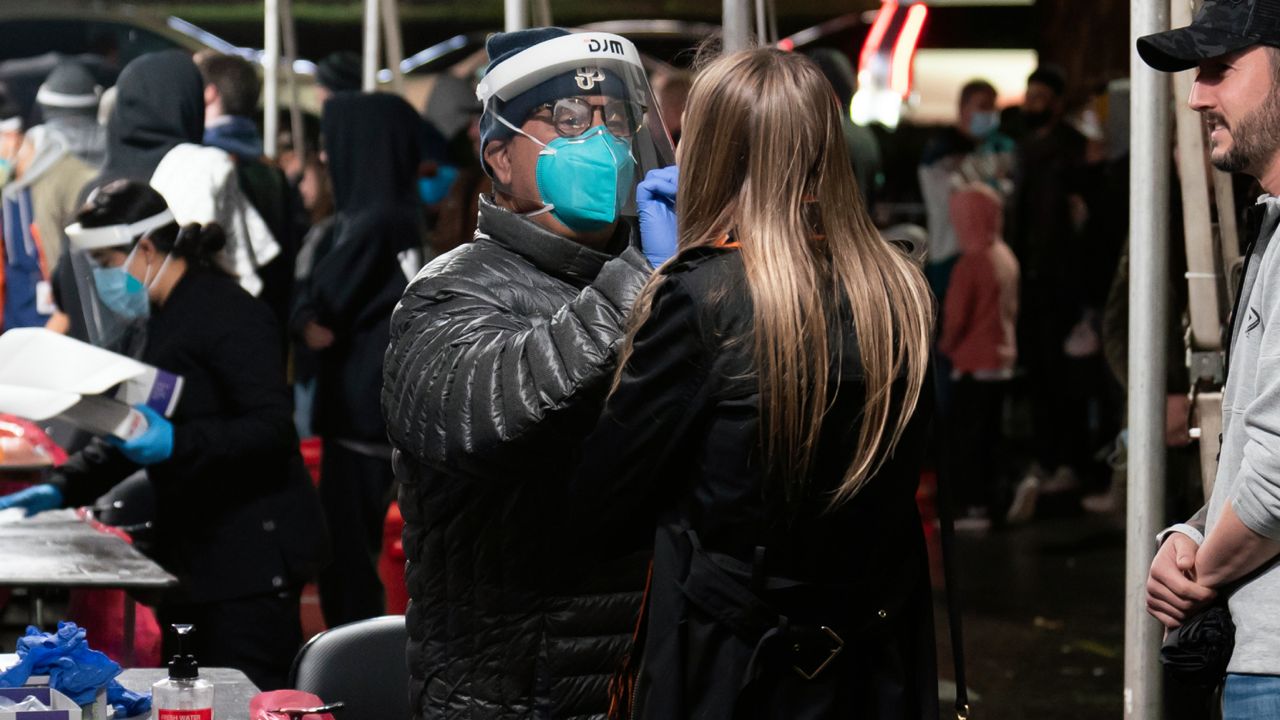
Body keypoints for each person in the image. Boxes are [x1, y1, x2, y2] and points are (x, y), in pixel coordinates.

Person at [567, 47, 938, 718]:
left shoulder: (701, 297)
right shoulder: (900, 292)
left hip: (734, 671)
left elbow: (602, 499)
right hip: (873, 668)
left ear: (711, 151)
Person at [381, 27, 676, 718]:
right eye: (569, 121)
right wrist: (640, 278)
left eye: (615, 121)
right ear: (500, 158)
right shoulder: (449, 293)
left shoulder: (650, 284)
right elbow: (502, 409)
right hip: (508, 699)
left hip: (631, 688)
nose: (601, 143)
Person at [0, 180, 327, 690]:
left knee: (241, 692)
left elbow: (271, 431)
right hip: (196, 555)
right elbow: (129, 431)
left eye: (108, 264)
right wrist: (60, 488)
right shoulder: (155, 322)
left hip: (252, 561)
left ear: (146, 249)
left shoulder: (229, 314)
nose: (106, 279)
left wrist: (178, 441)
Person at [1139, 3, 1280, 716]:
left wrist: (1199, 572)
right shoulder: (1271, 225)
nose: (1196, 94)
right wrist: (1192, 532)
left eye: (1221, 69)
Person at [292, 91, 425, 628]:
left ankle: (356, 670)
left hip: (361, 418)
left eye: (331, 145)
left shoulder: (372, 222)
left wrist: (302, 312)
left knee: (347, 558)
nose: (325, 158)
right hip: (381, 413)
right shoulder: (402, 215)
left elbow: (320, 307)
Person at [52, 50, 278, 350]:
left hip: (102, 368)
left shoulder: (96, 192)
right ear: (188, 104)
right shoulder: (198, 172)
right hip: (187, 365)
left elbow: (67, 288)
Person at [194, 51, 298, 346]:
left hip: (221, 322)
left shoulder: (206, 163)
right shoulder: (270, 167)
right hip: (269, 320)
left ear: (209, 94)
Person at [937, 183, 1019, 528]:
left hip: (971, 363)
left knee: (968, 440)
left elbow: (957, 316)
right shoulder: (1004, 256)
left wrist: (944, 345)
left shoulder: (970, 263)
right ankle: (995, 499)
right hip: (1001, 361)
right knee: (991, 437)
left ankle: (973, 506)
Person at [918, 78, 1015, 304]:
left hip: (990, 258)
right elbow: (960, 199)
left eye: (993, 106)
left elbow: (1007, 193)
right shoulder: (941, 153)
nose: (990, 113)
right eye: (982, 106)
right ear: (963, 108)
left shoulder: (1000, 148)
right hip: (950, 254)